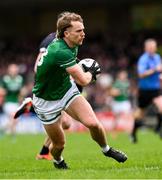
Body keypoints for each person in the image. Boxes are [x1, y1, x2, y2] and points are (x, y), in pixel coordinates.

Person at [32, 11, 127, 169]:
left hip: (65, 90)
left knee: (93, 124)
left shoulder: (72, 44)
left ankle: (107, 150)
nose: (83, 34)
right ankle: (58, 160)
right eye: (79, 31)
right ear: (66, 33)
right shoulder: (60, 50)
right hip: (45, 100)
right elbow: (83, 80)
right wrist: (92, 72)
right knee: (59, 144)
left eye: (83, 29)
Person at [14, 30, 72, 160]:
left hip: (59, 84)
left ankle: (43, 151)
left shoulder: (66, 41)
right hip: (51, 85)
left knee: (66, 124)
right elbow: (37, 66)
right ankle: (32, 106)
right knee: (65, 122)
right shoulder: (50, 40)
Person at [131, 38, 162, 143]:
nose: (153, 49)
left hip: (156, 89)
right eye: (150, 47)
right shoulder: (143, 59)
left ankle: (158, 128)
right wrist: (154, 70)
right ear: (146, 48)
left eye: (154, 47)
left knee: (161, 106)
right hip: (144, 90)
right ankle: (133, 133)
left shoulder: (157, 57)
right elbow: (141, 74)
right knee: (140, 113)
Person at [2, 64, 24, 137]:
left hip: (16, 103)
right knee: (14, 118)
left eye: (15, 70)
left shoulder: (19, 79)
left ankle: (12, 136)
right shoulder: (5, 79)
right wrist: (8, 91)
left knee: (14, 120)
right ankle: (8, 133)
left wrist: (21, 97)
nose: (13, 71)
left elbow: (22, 91)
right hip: (8, 102)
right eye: (12, 70)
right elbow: (1, 91)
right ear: (9, 70)